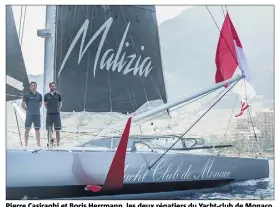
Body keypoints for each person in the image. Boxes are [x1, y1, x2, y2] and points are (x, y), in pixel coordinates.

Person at [21, 81, 42, 147]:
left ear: (36, 86)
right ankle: (26, 144)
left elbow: (40, 104)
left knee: (37, 130)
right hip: (29, 115)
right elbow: (22, 105)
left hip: (37, 115)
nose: (34, 87)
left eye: (35, 85)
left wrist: (36, 109)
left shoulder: (39, 95)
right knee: (27, 129)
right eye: (32, 86)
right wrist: (28, 110)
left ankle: (38, 145)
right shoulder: (26, 95)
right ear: (30, 87)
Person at [44, 81, 62, 146]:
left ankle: (58, 143)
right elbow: (45, 104)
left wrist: (57, 110)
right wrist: (49, 109)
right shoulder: (46, 95)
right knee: (49, 129)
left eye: (54, 86)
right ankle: (49, 142)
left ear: (55, 86)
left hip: (56, 114)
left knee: (57, 130)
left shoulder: (58, 95)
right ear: (49, 87)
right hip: (49, 114)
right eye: (51, 86)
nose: (53, 87)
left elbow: (60, 103)